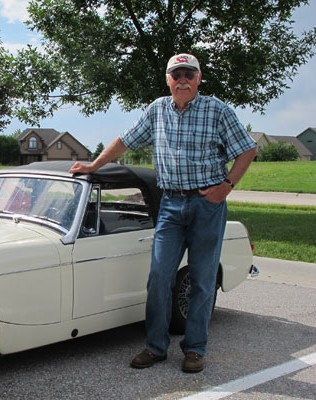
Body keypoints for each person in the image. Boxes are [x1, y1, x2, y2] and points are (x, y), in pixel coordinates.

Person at [69, 53, 257, 373]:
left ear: (198, 78)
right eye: (176, 74)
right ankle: (156, 347)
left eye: (188, 73)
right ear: (168, 79)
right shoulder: (157, 109)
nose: (182, 79)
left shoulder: (217, 110)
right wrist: (93, 165)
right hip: (170, 205)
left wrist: (226, 186)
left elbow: (247, 149)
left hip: (207, 205)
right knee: (158, 278)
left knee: (201, 280)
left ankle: (194, 349)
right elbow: (123, 141)